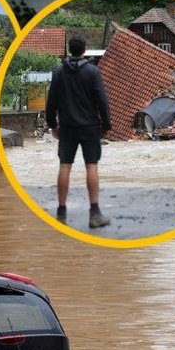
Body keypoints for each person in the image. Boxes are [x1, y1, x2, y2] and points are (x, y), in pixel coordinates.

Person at [45, 36, 112, 228]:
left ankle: (61, 213)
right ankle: (94, 214)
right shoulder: (92, 71)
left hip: (66, 127)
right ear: (84, 51)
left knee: (65, 166)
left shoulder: (59, 72)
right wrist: (106, 125)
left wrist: (53, 125)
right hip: (90, 127)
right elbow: (102, 100)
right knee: (91, 166)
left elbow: (51, 103)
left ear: (69, 49)